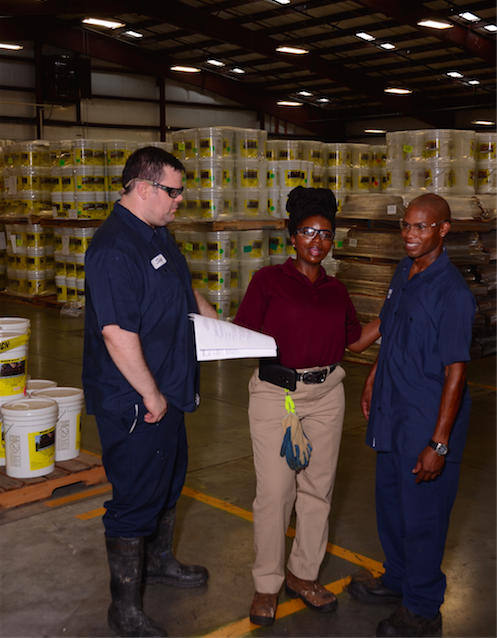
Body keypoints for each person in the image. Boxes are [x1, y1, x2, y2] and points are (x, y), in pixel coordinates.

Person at [82, 146, 217, 637]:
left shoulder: (156, 235)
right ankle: (125, 610)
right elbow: (116, 333)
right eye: (174, 191)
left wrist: (214, 320)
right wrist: (151, 395)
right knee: (134, 500)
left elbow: (182, 289)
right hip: (137, 401)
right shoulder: (115, 247)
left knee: (166, 485)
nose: (180, 200)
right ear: (144, 187)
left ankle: (159, 563)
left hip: (170, 391)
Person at [233, 186, 381, 626]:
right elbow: (243, 335)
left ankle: (303, 574)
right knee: (276, 494)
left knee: (318, 491)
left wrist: (393, 310)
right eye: (308, 232)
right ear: (291, 236)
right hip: (276, 396)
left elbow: (354, 342)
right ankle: (267, 584)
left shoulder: (337, 291)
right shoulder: (267, 282)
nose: (317, 241)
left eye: (326, 235)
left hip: (326, 396)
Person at [347, 193, 476, 637]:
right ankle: (398, 579)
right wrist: (372, 379)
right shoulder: (404, 270)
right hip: (392, 413)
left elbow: (455, 373)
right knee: (390, 508)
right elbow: (392, 327)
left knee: (423, 519)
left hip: (425, 422)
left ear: (444, 230)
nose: (410, 235)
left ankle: (423, 608)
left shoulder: (453, 293)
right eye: (406, 225)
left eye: (421, 227)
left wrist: (439, 443)